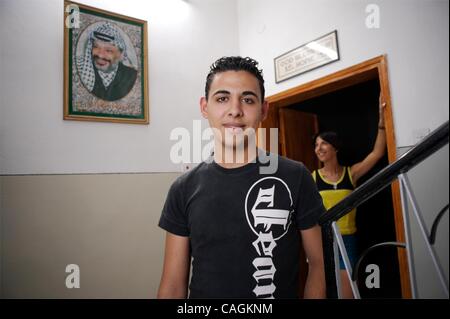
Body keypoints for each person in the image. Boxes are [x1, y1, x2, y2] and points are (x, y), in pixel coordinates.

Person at [157, 56, 326, 299]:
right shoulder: (183, 188)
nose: (235, 110)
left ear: (264, 110)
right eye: (222, 98)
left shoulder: (295, 177)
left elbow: (319, 264)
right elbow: (172, 286)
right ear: (205, 107)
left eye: (247, 100)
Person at [312, 96, 387, 299]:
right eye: (316, 145)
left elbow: (377, 153)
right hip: (323, 241)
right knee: (322, 291)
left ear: (335, 147)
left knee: (347, 293)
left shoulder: (351, 173)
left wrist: (381, 124)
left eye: (324, 143)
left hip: (348, 240)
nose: (318, 148)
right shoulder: (312, 178)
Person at [77, 22, 137, 101]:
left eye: (108, 50)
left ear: (121, 54)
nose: (100, 55)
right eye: (96, 47)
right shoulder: (81, 71)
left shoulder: (131, 76)